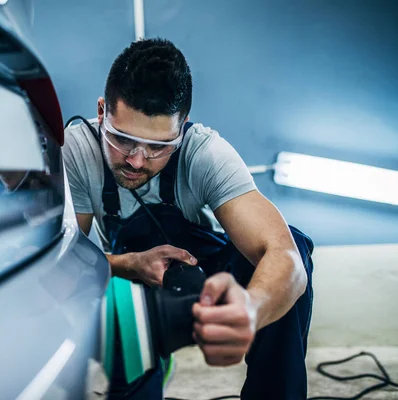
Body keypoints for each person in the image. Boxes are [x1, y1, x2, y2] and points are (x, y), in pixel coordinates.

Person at [63, 38, 314, 400]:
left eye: (158, 147)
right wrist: (128, 264)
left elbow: (286, 256)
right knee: (116, 297)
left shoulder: (206, 153)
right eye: (122, 140)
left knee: (296, 244)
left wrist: (252, 310)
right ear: (102, 113)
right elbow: (66, 263)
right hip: (131, 279)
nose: (136, 160)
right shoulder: (78, 150)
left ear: (180, 134)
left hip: (208, 273)